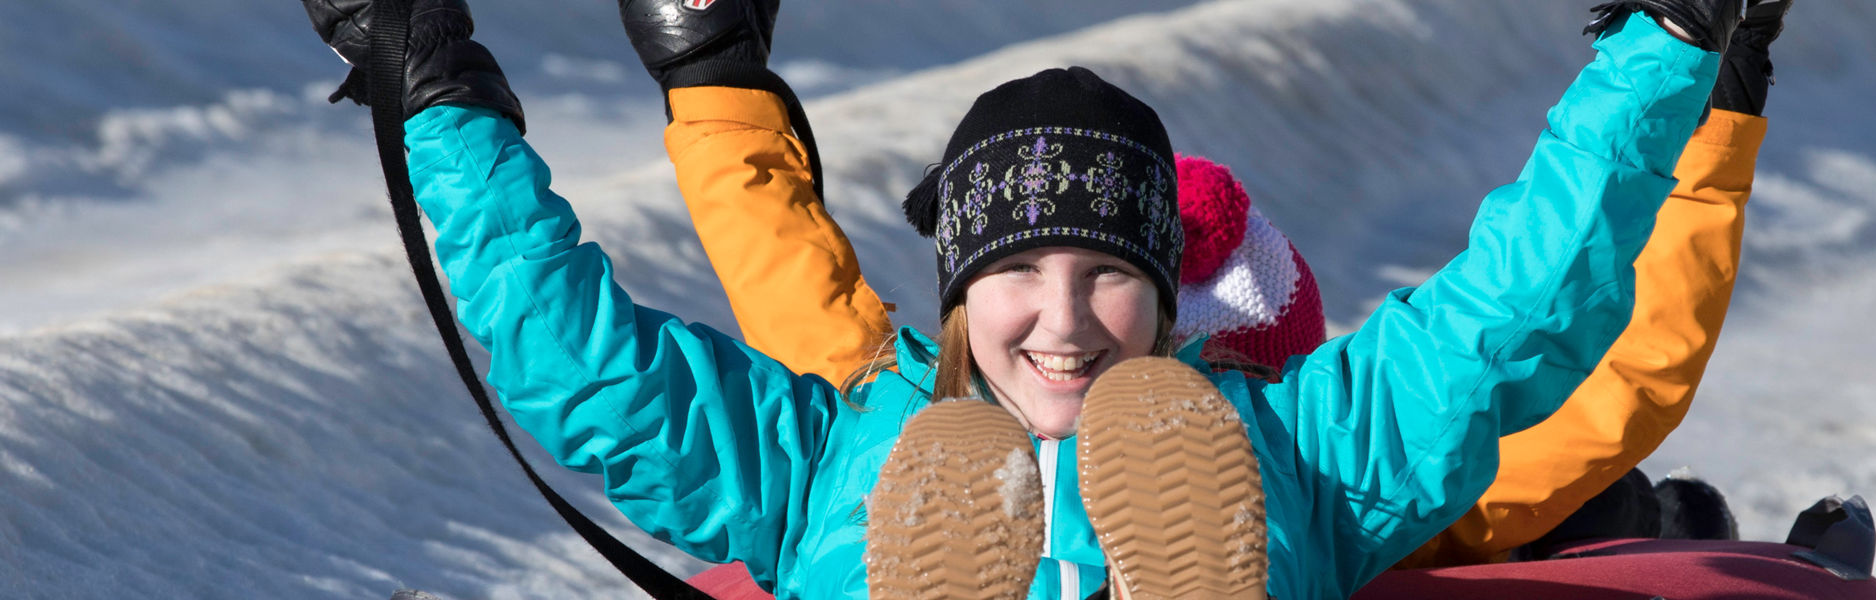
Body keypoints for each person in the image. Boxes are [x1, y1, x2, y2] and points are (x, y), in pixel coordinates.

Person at [300, 0, 1738, 598]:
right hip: (893, 485)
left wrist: (1670, 44)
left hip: (1226, 494)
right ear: (957, 294)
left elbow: (1512, 310)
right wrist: (438, 99)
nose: (1063, 320)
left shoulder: (1301, 442)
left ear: (1167, 297)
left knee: (1288, 461)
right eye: (1015, 275)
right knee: (867, 450)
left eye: (1110, 274)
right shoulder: (827, 450)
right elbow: (584, 365)